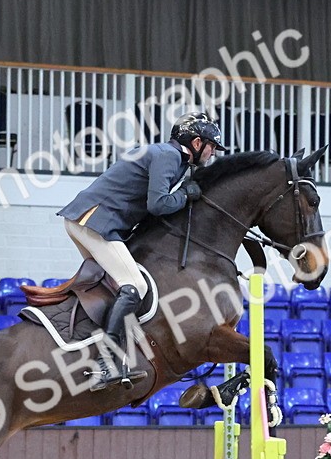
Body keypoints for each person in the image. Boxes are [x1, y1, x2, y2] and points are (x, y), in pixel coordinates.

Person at [56, 112, 227, 391]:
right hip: (96, 221)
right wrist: (186, 194)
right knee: (133, 285)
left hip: (87, 219)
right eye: (211, 146)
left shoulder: (169, 156)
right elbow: (158, 205)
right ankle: (105, 364)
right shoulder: (169, 156)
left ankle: (106, 347)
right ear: (197, 143)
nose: (212, 153)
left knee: (114, 284)